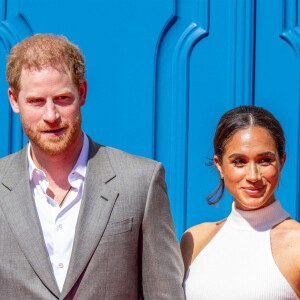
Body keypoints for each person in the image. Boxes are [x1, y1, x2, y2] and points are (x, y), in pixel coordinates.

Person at [0, 34, 185, 299]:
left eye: (63, 98)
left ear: (83, 92)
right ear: (14, 101)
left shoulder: (139, 181)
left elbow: (164, 292)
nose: (51, 116)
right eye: (37, 101)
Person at [181, 105, 300, 299]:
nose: (253, 176)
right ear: (219, 165)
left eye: (264, 160)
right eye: (239, 162)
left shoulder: (297, 244)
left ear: (282, 161)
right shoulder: (194, 240)